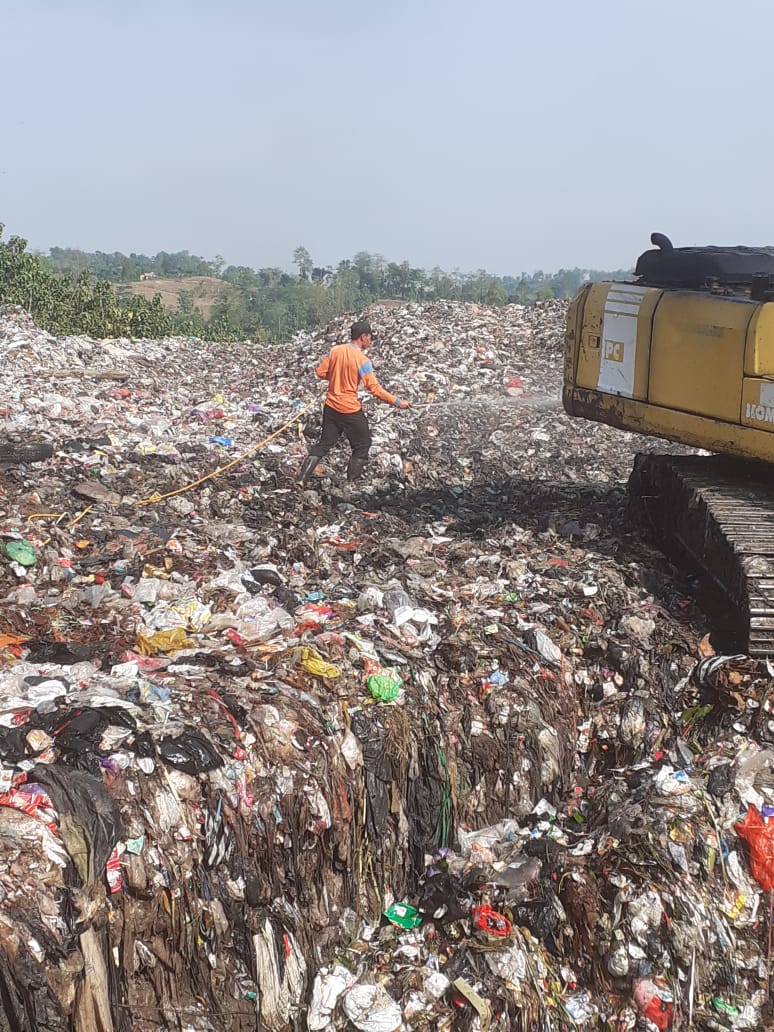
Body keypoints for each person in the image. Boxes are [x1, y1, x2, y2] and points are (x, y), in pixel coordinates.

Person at [299, 319, 411, 486]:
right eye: (369, 337)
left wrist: (337, 377)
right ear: (363, 337)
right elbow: (374, 388)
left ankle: (301, 479)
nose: (370, 340)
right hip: (349, 409)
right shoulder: (362, 360)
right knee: (363, 444)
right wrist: (397, 402)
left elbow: (320, 372)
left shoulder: (335, 350)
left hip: (330, 407)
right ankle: (353, 482)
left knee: (324, 444)